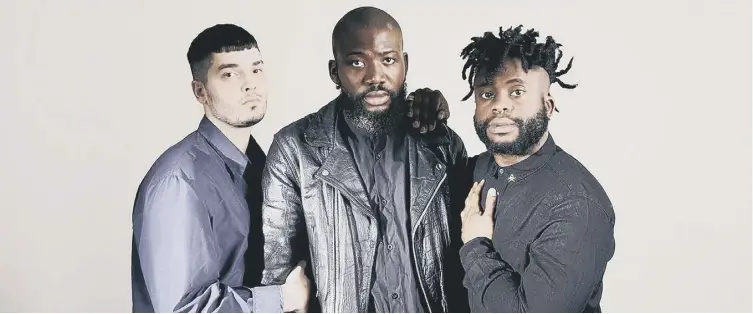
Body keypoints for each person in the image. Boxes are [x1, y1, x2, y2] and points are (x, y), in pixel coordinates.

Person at [259, 6, 469, 313]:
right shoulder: (294, 150)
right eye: (357, 62)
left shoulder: (441, 144)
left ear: (404, 65)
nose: (375, 77)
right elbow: (279, 276)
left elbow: (469, 251)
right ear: (335, 71)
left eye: (388, 60)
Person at [130, 24, 311, 313]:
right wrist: (282, 298)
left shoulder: (262, 165)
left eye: (256, 69)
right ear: (200, 91)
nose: (249, 84)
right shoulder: (178, 181)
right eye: (229, 74)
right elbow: (184, 308)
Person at [457, 25, 616, 312]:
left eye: (517, 92)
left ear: (549, 106)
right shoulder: (475, 169)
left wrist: (476, 245)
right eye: (487, 94)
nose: (500, 106)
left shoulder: (577, 204)